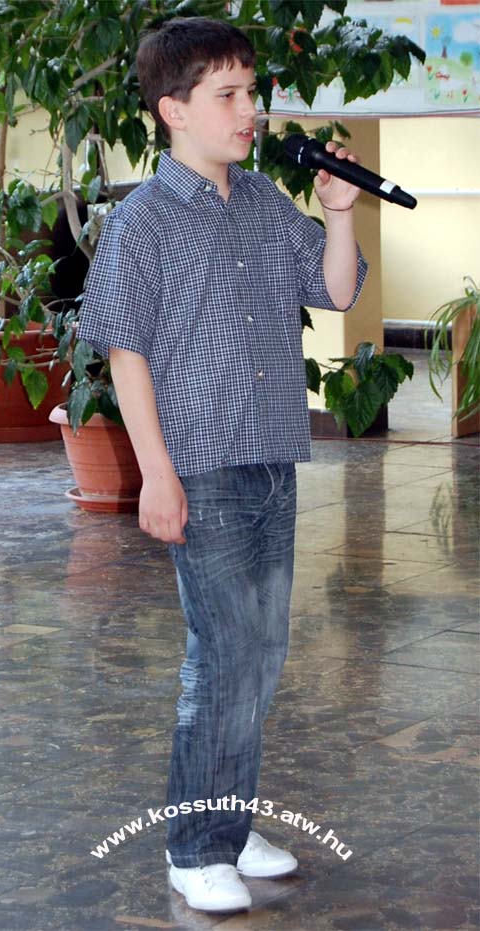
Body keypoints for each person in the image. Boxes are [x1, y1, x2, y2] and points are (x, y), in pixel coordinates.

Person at [77, 16, 367, 914]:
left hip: (271, 456)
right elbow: (125, 352)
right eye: (229, 95)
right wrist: (156, 474)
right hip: (200, 466)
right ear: (174, 110)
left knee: (261, 655)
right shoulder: (143, 221)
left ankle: (228, 826)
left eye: (252, 92)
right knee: (225, 657)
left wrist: (340, 214)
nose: (251, 111)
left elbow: (337, 288)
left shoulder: (266, 203)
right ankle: (195, 847)